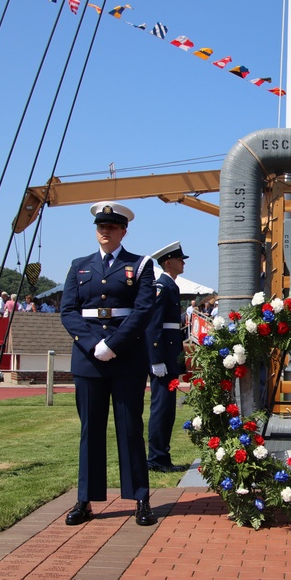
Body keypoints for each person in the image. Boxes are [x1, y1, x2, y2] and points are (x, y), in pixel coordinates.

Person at [59, 201, 156, 527]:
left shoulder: (140, 265)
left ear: (123, 230)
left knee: (130, 430)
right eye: (101, 226)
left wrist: (113, 345)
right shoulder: (79, 266)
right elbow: (68, 311)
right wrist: (94, 345)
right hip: (88, 360)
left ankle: (140, 498)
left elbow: (143, 311)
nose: (105, 230)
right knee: (91, 432)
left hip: (126, 357)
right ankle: (85, 500)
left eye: (112, 226)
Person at [146, 241, 190, 473]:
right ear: (168, 262)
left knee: (167, 409)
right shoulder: (162, 286)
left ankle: (161, 455)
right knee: (162, 409)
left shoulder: (170, 285)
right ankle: (157, 458)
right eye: (180, 259)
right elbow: (153, 324)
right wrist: (156, 359)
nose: (183, 263)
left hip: (169, 355)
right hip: (163, 357)